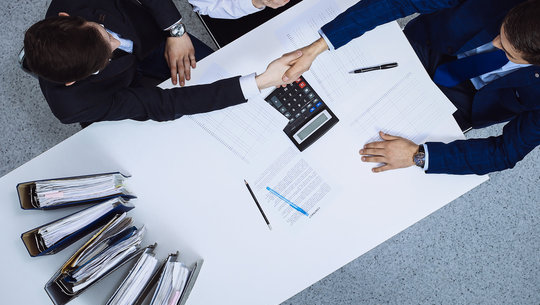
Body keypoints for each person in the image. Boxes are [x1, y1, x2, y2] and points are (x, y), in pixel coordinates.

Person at [280, 0, 540, 175]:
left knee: (355, 156)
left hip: (467, 104)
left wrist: (418, 156)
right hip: (426, 46)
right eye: (500, 32)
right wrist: (320, 45)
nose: (494, 43)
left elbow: (505, 152)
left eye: (506, 52)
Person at [23, 0, 296, 126]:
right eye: (104, 58)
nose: (118, 45)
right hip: (115, 94)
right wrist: (261, 81)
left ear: (66, 15)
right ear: (72, 81)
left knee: (221, 72)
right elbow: (164, 104)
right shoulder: (73, 106)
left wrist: (176, 30)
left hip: (154, 38)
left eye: (105, 33)